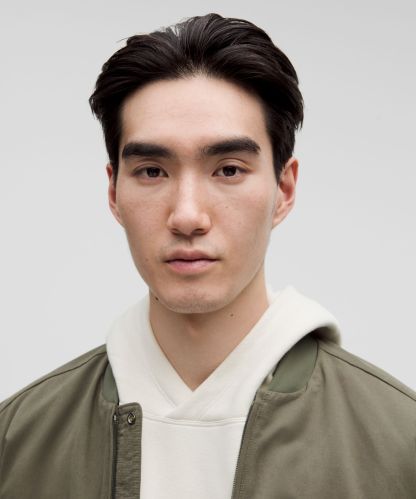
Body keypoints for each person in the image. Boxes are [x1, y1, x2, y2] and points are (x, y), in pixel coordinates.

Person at [1, 13, 415, 499]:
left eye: (228, 170)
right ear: (113, 193)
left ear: (284, 189)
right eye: (152, 171)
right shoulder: (17, 441)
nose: (187, 216)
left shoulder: (400, 444)